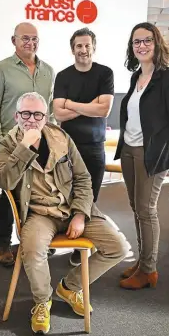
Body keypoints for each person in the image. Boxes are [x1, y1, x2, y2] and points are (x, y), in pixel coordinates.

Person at [0, 92, 128, 335]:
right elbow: (3, 180)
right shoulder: (7, 144)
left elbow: (83, 178)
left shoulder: (61, 137)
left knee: (118, 247)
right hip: (39, 214)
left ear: (46, 118)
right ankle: (42, 301)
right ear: (16, 116)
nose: (31, 120)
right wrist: (24, 147)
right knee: (32, 250)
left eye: (37, 114)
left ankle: (70, 286)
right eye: (25, 114)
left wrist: (79, 214)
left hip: (71, 208)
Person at [114, 22, 169, 290]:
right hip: (129, 150)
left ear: (156, 44)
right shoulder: (136, 77)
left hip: (152, 154)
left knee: (147, 210)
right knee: (136, 208)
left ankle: (149, 269)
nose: (141, 46)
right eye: (136, 42)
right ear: (131, 47)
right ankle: (143, 261)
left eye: (147, 40)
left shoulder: (167, 78)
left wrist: (167, 156)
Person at [0, 22, 55, 266]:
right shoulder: (1, 69)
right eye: (25, 38)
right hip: (12, 142)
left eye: (35, 39)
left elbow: (51, 109)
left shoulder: (48, 71)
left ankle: (37, 240)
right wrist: (1, 141)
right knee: (8, 195)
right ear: (13, 40)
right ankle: (4, 243)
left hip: (41, 143)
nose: (30, 43)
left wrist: (52, 139)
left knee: (39, 192)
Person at [53, 27, 114, 267]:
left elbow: (104, 109)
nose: (83, 49)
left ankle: (81, 248)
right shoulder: (63, 76)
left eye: (87, 45)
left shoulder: (105, 73)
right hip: (66, 147)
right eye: (79, 45)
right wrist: (89, 105)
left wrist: (71, 104)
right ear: (72, 49)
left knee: (90, 198)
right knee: (65, 195)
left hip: (94, 146)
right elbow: (59, 113)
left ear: (93, 47)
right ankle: (63, 237)